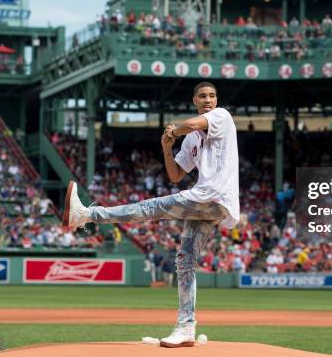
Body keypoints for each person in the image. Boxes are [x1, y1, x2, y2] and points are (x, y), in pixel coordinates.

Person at [62, 81, 239, 348]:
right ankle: (186, 327)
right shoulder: (191, 140)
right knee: (185, 260)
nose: (208, 100)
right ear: (194, 100)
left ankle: (86, 215)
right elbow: (176, 175)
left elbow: (189, 125)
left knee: (149, 208)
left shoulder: (221, 116)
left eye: (212, 96)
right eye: (203, 96)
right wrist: (167, 147)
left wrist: (172, 130)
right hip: (207, 202)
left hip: (213, 196)